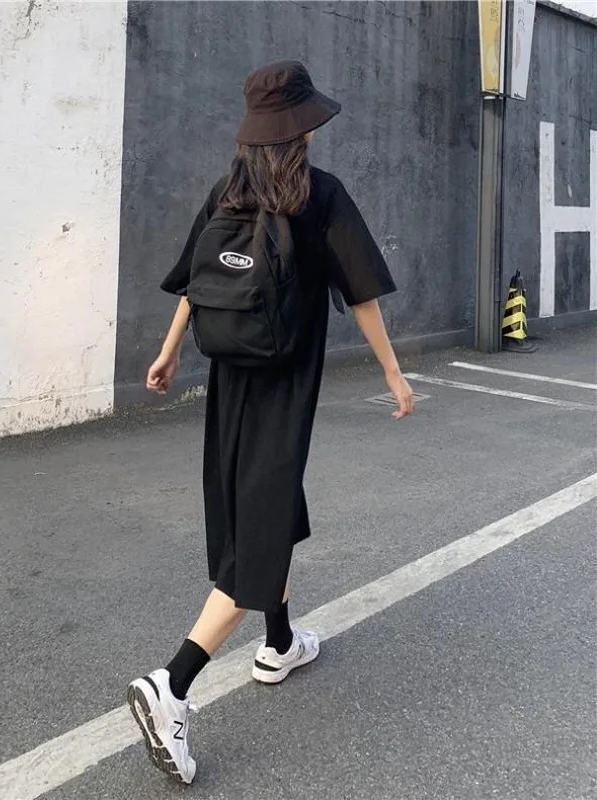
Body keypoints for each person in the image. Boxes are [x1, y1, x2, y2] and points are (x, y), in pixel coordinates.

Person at [126, 60, 415, 785]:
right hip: (285, 390)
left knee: (267, 511)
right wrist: (391, 370)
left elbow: (194, 284)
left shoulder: (228, 190)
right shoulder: (320, 195)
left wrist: (168, 352)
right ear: (303, 129)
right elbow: (362, 294)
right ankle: (171, 686)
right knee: (255, 544)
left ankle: (279, 645)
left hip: (229, 383)